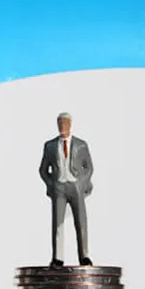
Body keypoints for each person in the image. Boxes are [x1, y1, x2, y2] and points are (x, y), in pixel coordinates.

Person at [39, 112, 94, 267]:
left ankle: (84, 256)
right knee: (58, 223)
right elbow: (43, 170)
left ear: (70, 125)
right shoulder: (50, 146)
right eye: (60, 124)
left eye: (65, 124)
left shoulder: (81, 145)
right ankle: (58, 257)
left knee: (81, 221)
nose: (62, 127)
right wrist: (51, 184)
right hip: (59, 188)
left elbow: (88, 167)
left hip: (75, 186)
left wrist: (82, 182)